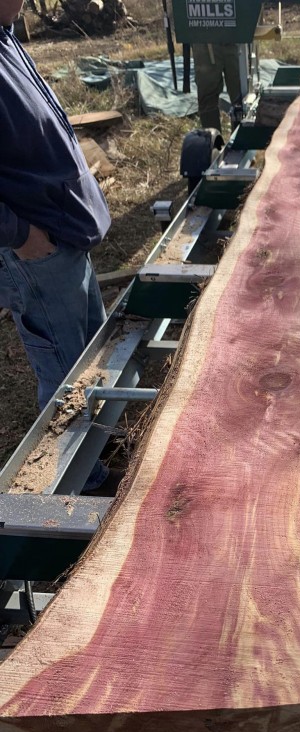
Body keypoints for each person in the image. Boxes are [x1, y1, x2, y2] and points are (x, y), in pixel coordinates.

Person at [0, 0, 118, 495]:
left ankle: (99, 445)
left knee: (92, 349)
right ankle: (81, 486)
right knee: (66, 371)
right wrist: (22, 235)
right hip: (36, 247)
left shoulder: (5, 35)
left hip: (62, 233)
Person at [191, 42, 243, 132]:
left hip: (234, 41)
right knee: (208, 99)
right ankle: (212, 138)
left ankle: (241, 135)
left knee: (242, 97)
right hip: (205, 43)